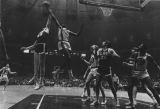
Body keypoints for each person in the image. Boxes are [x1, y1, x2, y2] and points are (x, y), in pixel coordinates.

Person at [43, 1, 83, 80]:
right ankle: (64, 73)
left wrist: (82, 28)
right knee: (68, 57)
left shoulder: (68, 31)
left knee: (68, 59)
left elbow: (77, 35)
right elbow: (55, 20)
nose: (64, 26)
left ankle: (66, 75)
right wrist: (51, 13)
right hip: (62, 43)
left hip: (67, 44)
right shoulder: (60, 28)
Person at [21, 10, 51, 90]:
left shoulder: (46, 30)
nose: (44, 26)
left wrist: (50, 14)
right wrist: (26, 48)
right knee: (35, 67)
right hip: (37, 48)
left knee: (42, 66)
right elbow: (34, 45)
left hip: (43, 47)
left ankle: (41, 82)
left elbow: (49, 22)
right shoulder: (39, 34)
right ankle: (36, 81)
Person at [123, 44, 160, 108]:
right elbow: (132, 63)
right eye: (139, 48)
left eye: (140, 48)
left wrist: (158, 68)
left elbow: (155, 64)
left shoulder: (148, 56)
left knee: (152, 88)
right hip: (135, 73)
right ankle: (132, 103)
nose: (139, 49)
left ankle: (158, 102)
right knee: (129, 87)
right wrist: (127, 63)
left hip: (144, 73)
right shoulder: (135, 54)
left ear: (144, 50)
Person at [91, 40, 120, 106]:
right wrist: (95, 52)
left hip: (107, 69)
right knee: (97, 85)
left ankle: (116, 100)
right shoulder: (99, 50)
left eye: (104, 42)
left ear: (106, 44)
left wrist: (112, 55)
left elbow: (118, 57)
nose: (102, 42)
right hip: (100, 69)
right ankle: (97, 100)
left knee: (111, 86)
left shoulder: (110, 50)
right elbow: (96, 58)